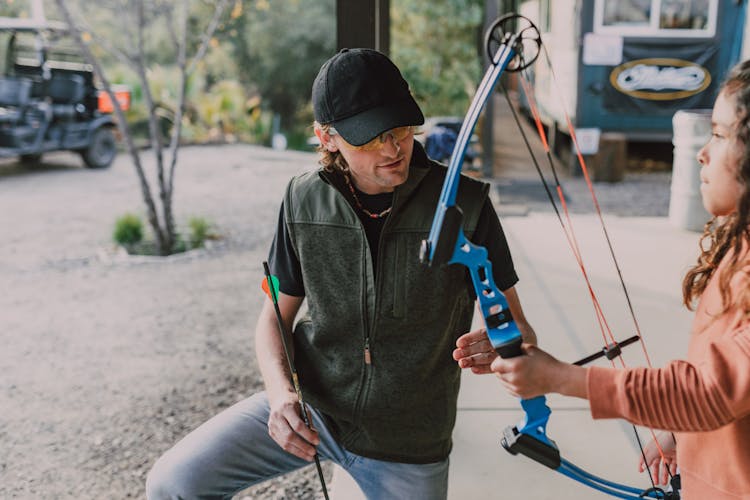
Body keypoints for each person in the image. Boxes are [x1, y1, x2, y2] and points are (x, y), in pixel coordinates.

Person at [145, 48, 536, 500]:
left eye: (401, 130)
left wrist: (505, 345)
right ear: (327, 138)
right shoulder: (301, 200)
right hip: (315, 408)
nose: (393, 149)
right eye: (370, 138)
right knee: (172, 483)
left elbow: (519, 327)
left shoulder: (466, 205)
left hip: (408, 441)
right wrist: (280, 396)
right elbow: (273, 316)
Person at [455, 60, 750, 499]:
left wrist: (558, 378)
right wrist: (680, 430)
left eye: (722, 135)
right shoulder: (739, 244)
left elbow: (711, 390)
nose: (702, 152)